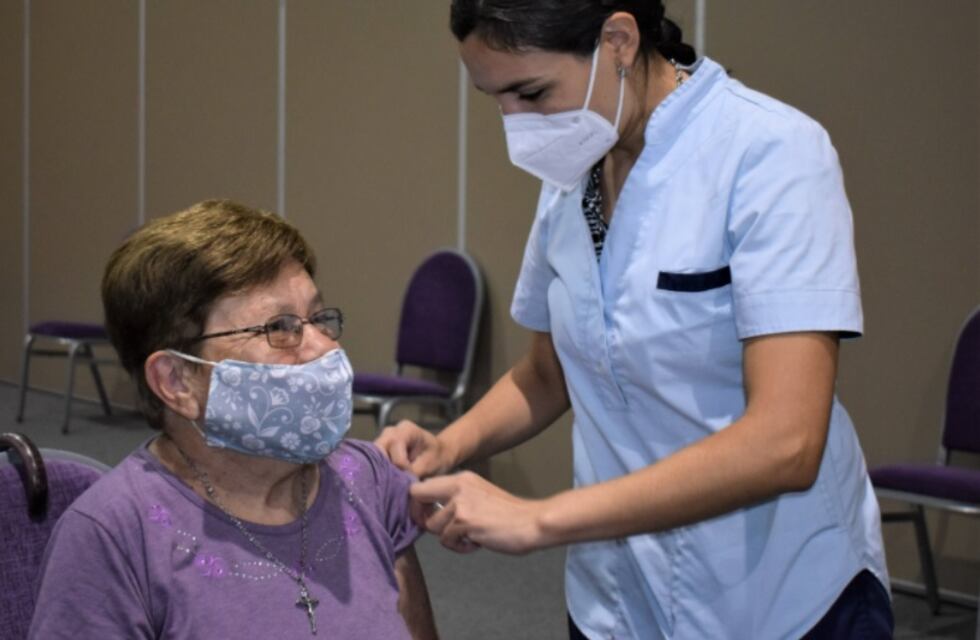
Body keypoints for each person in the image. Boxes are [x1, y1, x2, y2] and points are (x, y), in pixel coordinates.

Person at [375, 2, 892, 638]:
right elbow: (548, 373)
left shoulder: (770, 153)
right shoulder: (574, 171)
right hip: (615, 598)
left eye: (530, 93)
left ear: (618, 41)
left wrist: (540, 518)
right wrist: (449, 444)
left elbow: (786, 442)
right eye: (495, 99)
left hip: (773, 596)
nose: (515, 123)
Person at [29, 200, 438, 639]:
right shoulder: (113, 537)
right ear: (177, 380)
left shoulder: (368, 479)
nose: (324, 347)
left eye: (318, 318)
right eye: (279, 327)